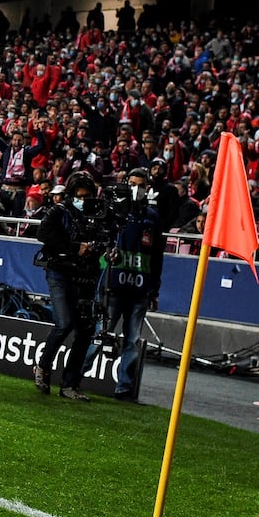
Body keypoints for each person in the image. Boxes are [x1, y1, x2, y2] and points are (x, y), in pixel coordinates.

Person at [32, 172, 103, 402]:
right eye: (80, 195)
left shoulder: (98, 215)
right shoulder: (59, 211)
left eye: (88, 195)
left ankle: (70, 384)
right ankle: (43, 367)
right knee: (64, 324)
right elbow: (42, 233)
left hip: (85, 274)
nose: (84, 199)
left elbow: (103, 240)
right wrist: (75, 247)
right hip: (60, 272)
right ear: (71, 195)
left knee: (84, 331)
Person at [106, 167, 163, 402]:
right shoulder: (115, 212)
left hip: (140, 289)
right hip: (114, 286)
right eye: (132, 184)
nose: (136, 189)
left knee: (132, 340)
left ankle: (124, 387)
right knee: (101, 333)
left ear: (147, 188)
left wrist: (154, 290)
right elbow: (103, 247)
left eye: (141, 185)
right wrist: (104, 265)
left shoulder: (153, 217)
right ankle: (74, 376)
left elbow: (158, 255)